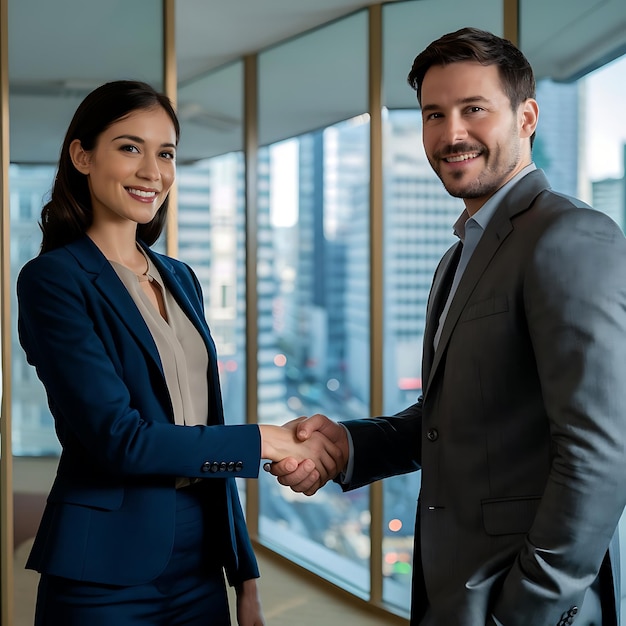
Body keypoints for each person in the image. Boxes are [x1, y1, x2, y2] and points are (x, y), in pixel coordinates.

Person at [267, 27, 626, 626]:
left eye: (474, 109)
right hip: (454, 590)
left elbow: (600, 453)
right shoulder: (459, 256)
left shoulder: (569, 237)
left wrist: (527, 610)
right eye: (434, 114)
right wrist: (346, 445)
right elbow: (447, 423)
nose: (451, 133)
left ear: (528, 116)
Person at [16, 80, 342, 626]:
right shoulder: (53, 280)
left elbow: (203, 428)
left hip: (199, 564)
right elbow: (118, 441)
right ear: (82, 155)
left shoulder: (180, 278)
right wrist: (264, 439)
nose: (153, 171)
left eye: (165, 153)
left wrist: (245, 572)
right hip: (104, 571)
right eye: (129, 147)